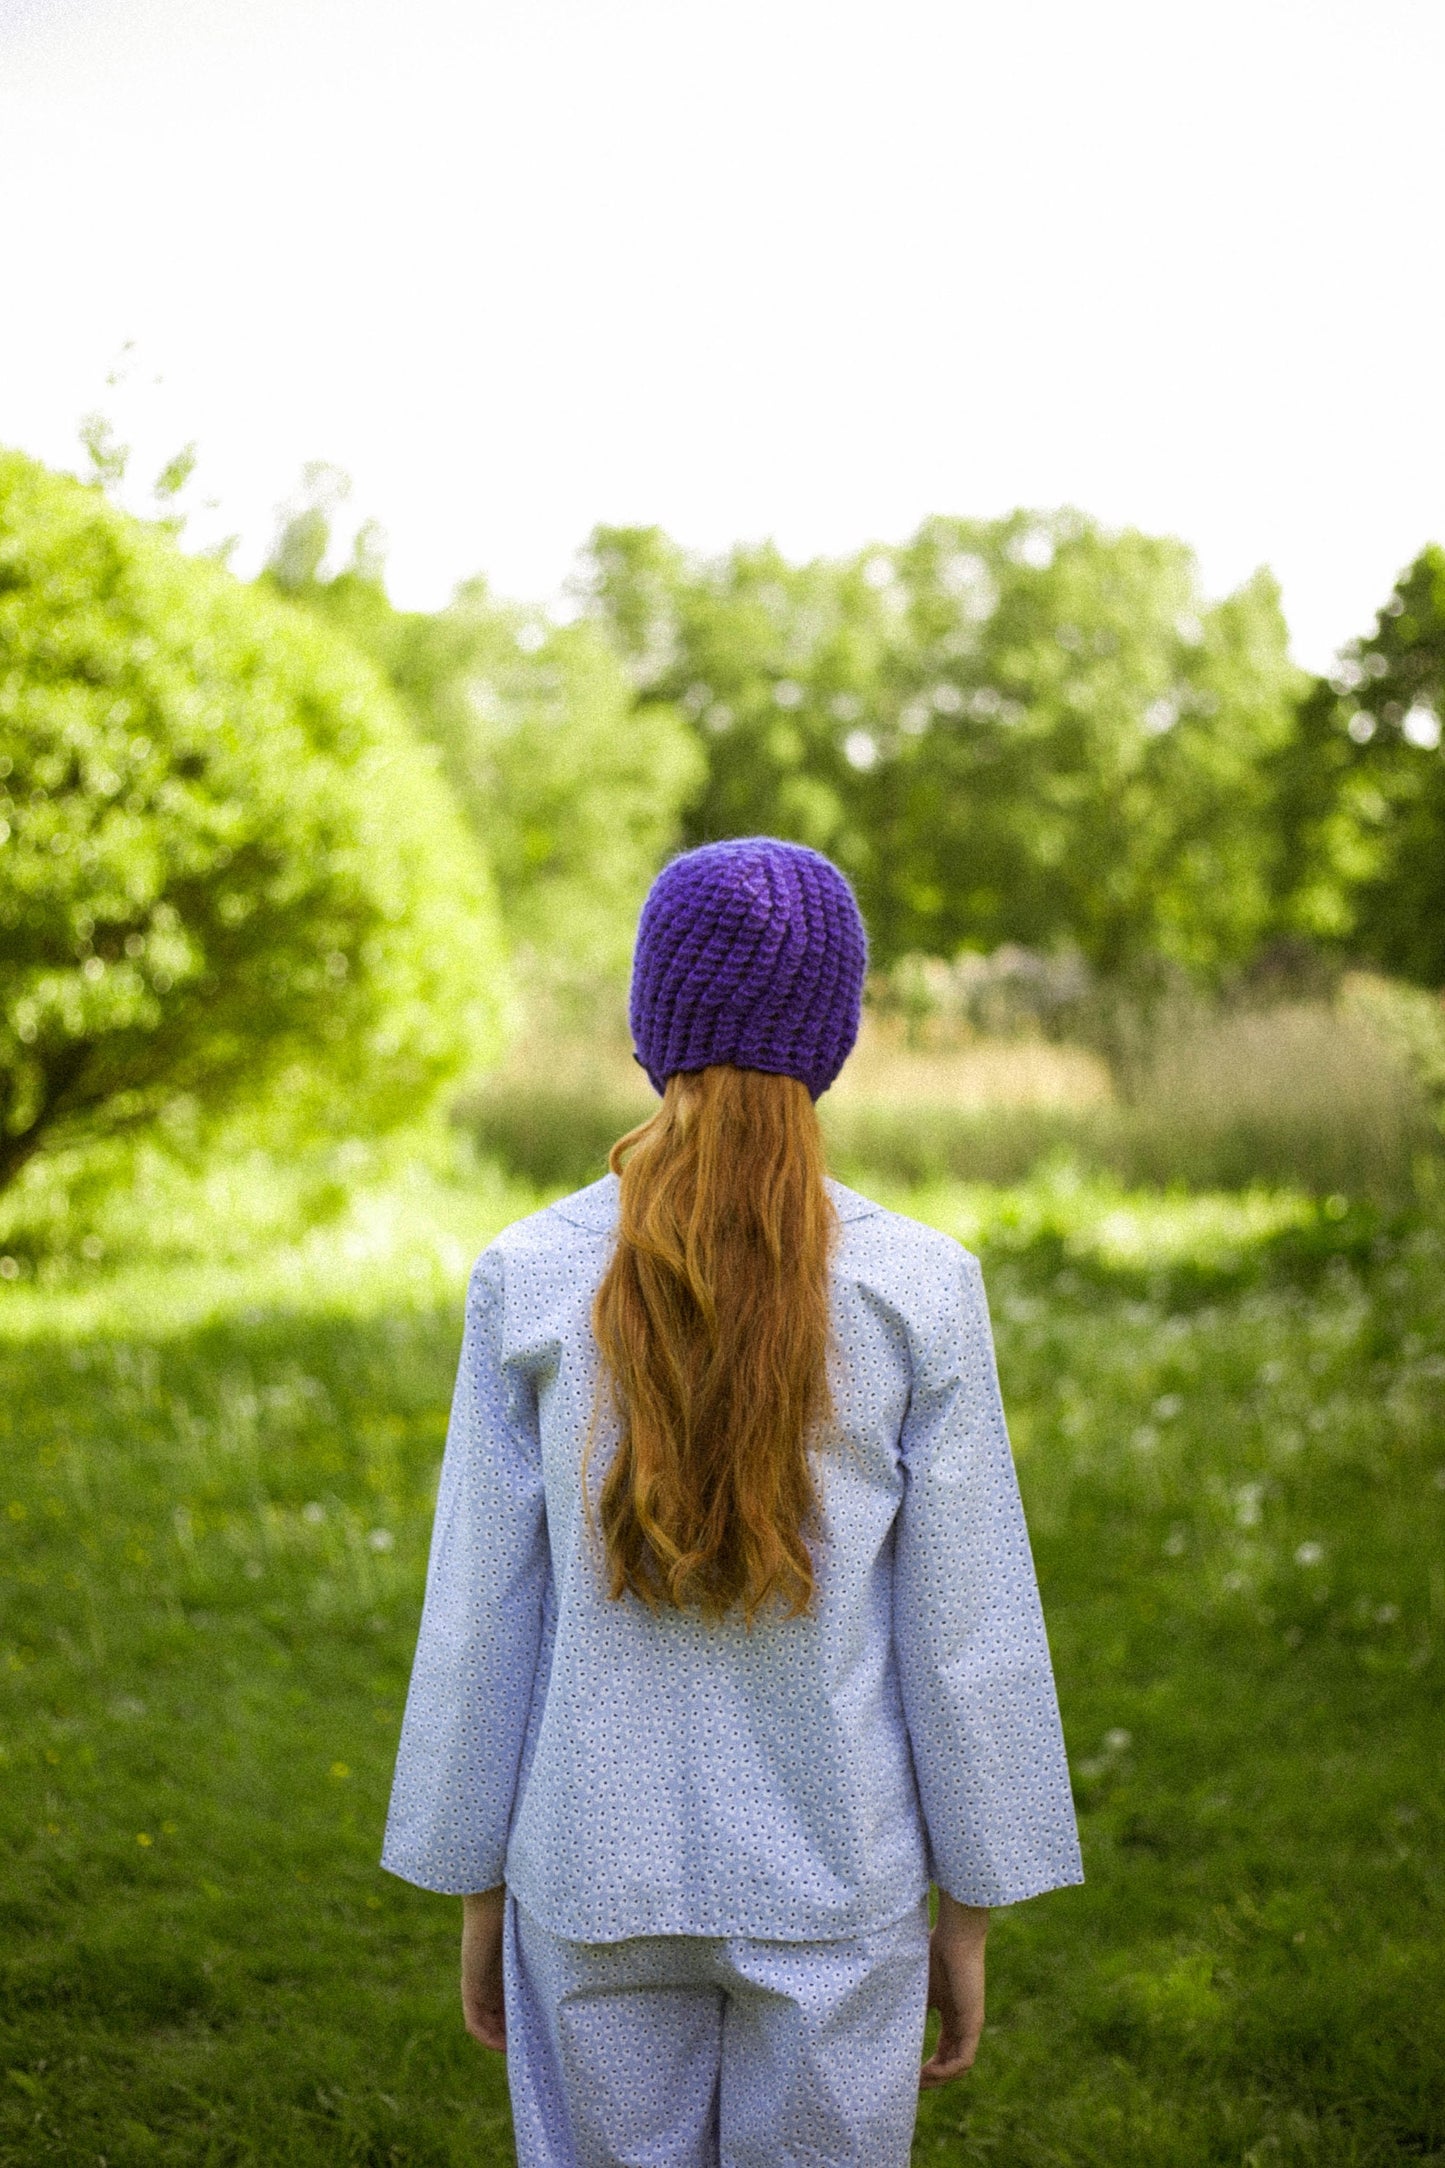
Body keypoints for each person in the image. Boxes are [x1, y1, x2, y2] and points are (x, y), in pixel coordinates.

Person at [383, 837, 1083, 2168]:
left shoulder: (526, 1276)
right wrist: (973, 1908)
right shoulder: (918, 1286)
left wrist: (478, 1878)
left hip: (588, 1871)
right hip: (837, 1880)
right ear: (835, 1036)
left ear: (653, 1025)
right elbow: (966, 1629)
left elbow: (481, 1614)